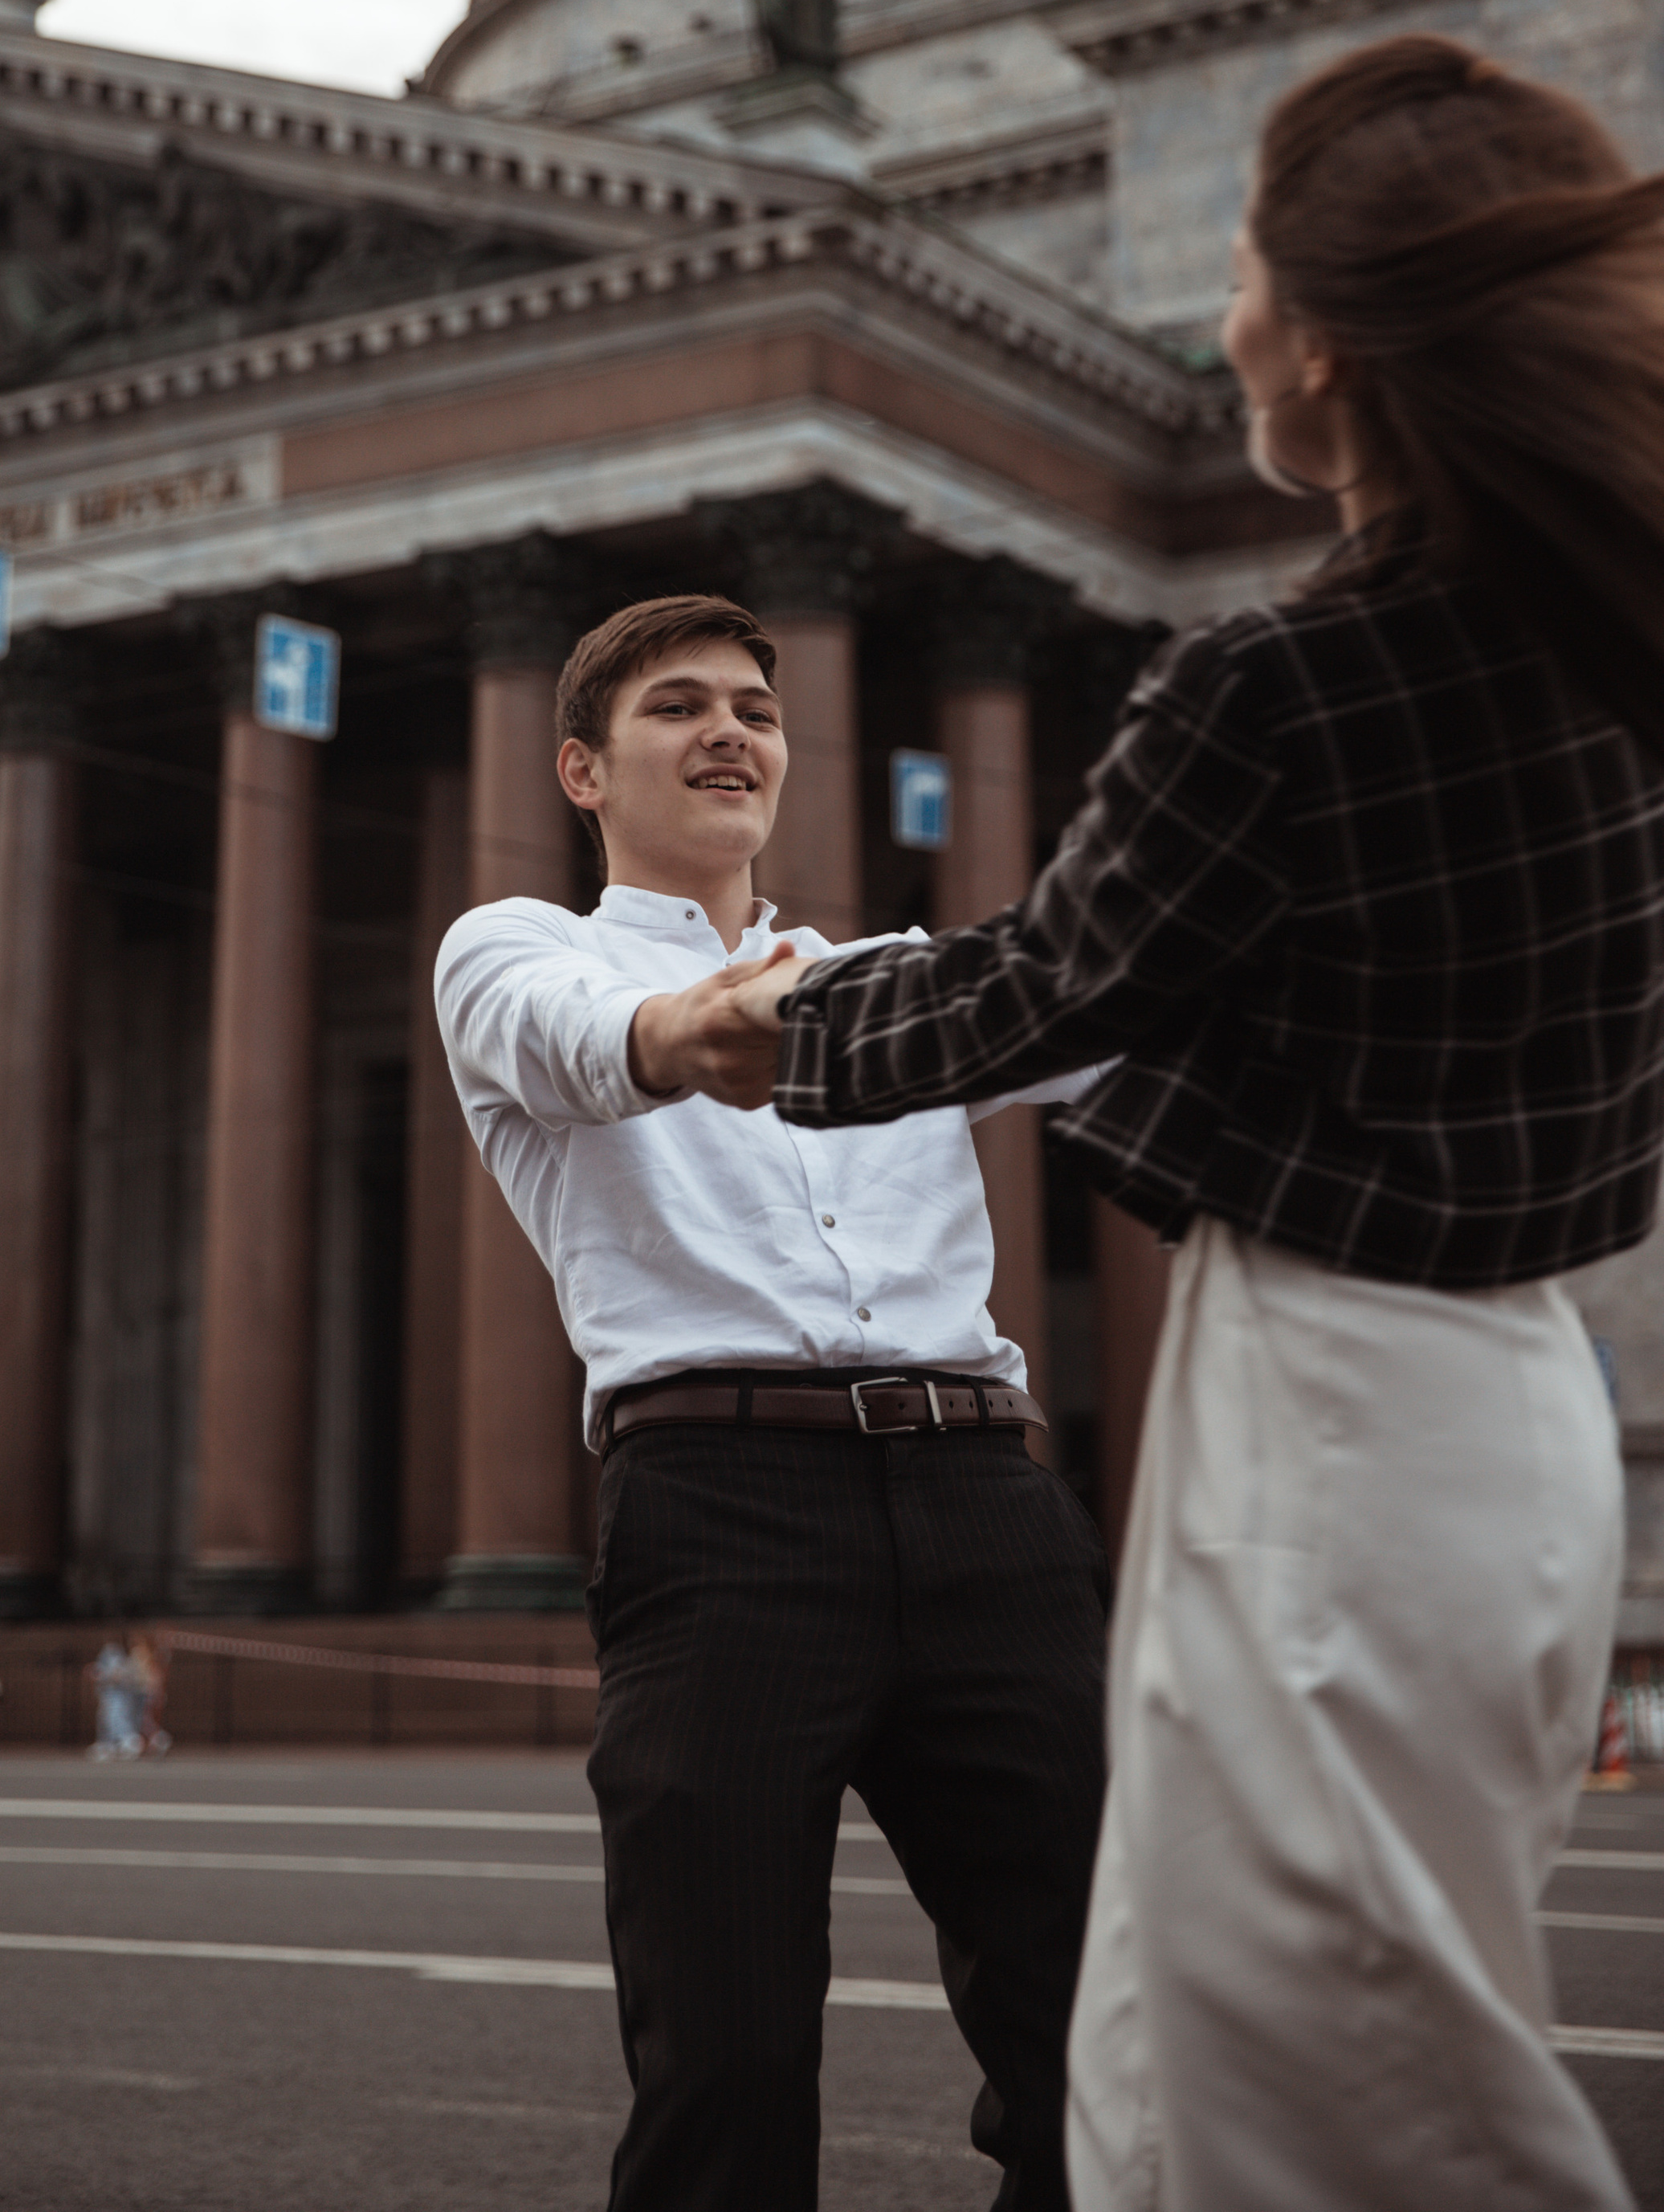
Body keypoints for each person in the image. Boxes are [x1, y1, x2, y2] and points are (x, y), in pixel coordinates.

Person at [692, 37, 1664, 2211]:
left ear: (1321, 341)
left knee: (1318, 2081)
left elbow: (1047, 980)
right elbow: (1309, 1019)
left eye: (1238, 262)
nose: (1218, 310)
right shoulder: (1611, 653)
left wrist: (774, 1027)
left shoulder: (1276, 688)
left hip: (1329, 1420)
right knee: (1362, 2020)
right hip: (1527, 1420)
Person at [435, 592, 1112, 2212]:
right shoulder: (520, 948)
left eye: (754, 707)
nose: (730, 730)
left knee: (1102, 2039)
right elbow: (595, 1041)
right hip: (723, 1519)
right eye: (676, 708)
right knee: (724, 2073)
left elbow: (1109, 1032)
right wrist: (699, 1021)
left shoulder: (897, 974)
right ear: (582, 771)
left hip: (986, 1509)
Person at [88, 1638, 141, 1761]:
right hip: (108, 1697)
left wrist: (103, 1675)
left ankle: (127, 1745)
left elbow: (117, 1676)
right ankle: (109, 1746)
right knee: (106, 1721)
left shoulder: (118, 1660)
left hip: (118, 1698)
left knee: (119, 1720)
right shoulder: (106, 1660)